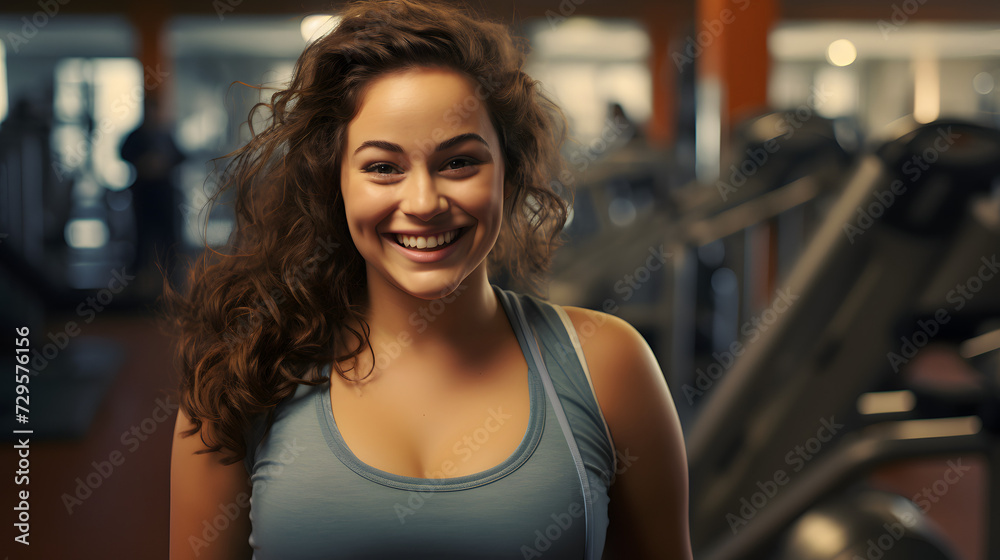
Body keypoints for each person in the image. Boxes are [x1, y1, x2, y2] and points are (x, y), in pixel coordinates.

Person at [165, 1, 691, 558]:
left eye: (460, 162)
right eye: (383, 167)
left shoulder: (608, 364)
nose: (422, 203)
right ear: (334, 183)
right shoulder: (241, 376)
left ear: (508, 173)